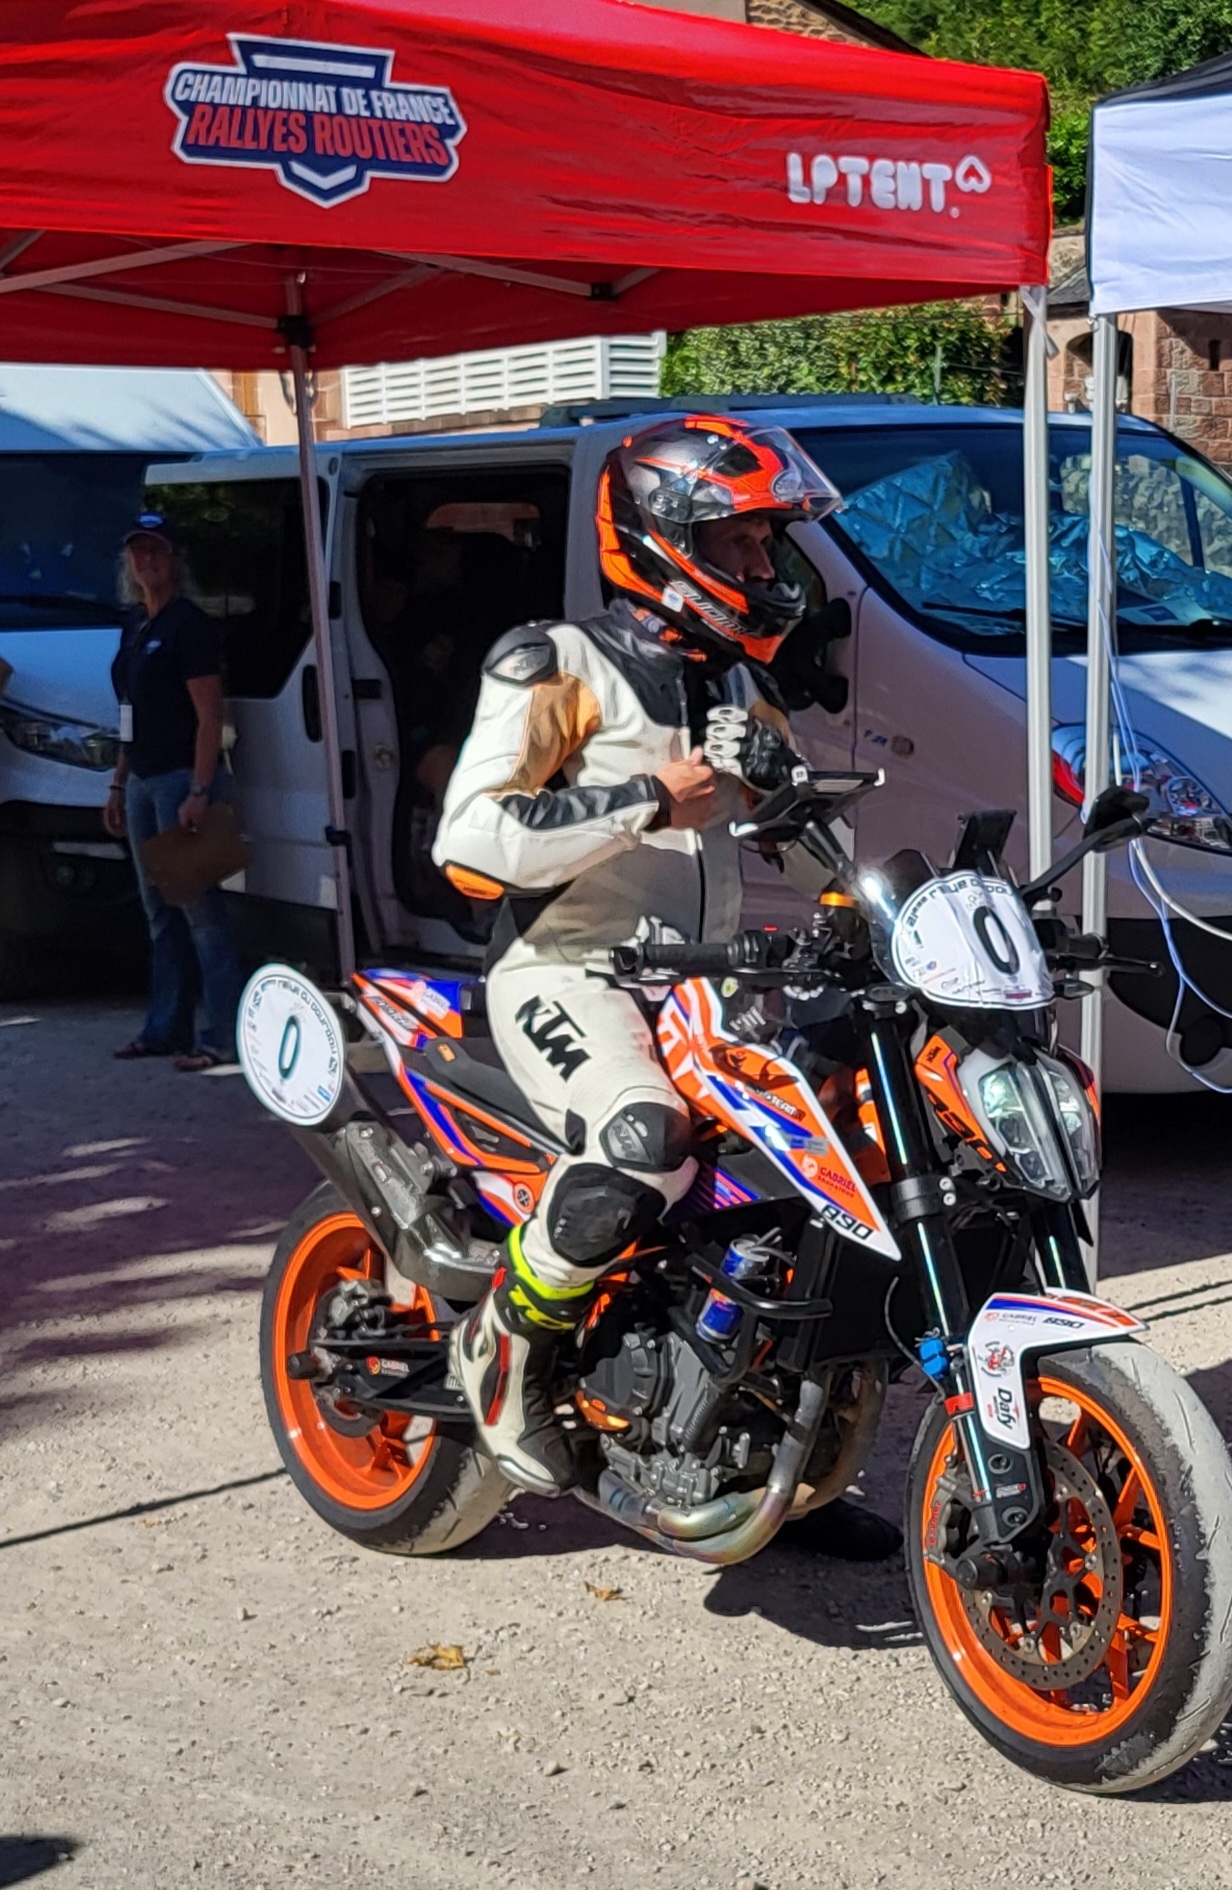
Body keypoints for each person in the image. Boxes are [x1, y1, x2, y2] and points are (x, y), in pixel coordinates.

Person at [433, 416, 852, 1507]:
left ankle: (777, 1456)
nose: (760, 563)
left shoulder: (740, 687)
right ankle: (503, 1352)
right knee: (643, 1142)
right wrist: (646, 800)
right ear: (664, 538)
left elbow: (810, 845)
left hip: (704, 979)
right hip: (568, 967)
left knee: (828, 1169)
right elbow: (468, 843)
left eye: (765, 542)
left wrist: (798, 811)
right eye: (737, 541)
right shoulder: (555, 661)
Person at [104, 512, 242, 1072]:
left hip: (182, 780)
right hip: (141, 780)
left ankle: (223, 1036)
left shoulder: (190, 626)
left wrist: (200, 789)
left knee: (201, 913)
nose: (147, 562)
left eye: (156, 551)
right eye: (138, 553)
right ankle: (164, 1028)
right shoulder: (136, 625)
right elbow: (129, 714)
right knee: (159, 911)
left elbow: (210, 715)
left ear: (175, 560)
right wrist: (118, 781)